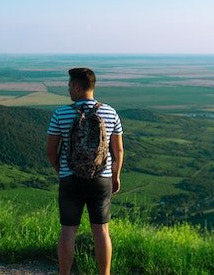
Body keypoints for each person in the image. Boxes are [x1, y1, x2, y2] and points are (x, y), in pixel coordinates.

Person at [46, 67, 124, 275]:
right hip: (101, 179)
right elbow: (118, 150)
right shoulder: (110, 112)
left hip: (70, 179)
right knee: (101, 230)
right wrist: (115, 176)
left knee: (68, 230)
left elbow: (51, 151)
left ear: (78, 87)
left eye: (70, 85)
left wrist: (61, 171)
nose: (68, 89)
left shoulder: (60, 113)